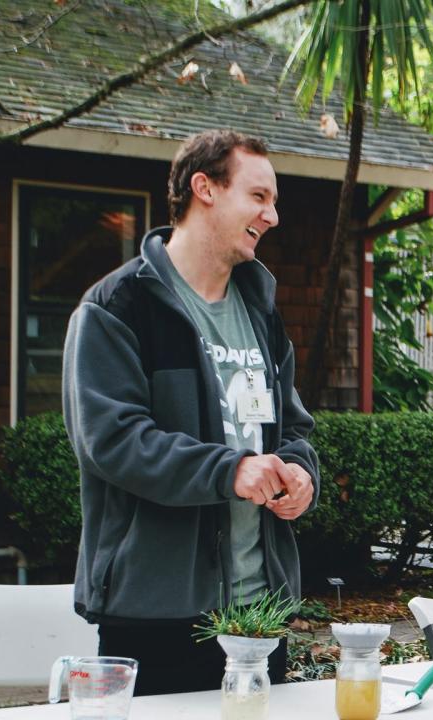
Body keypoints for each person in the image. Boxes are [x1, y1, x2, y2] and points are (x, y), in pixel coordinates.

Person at [62, 130, 319, 696]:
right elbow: (114, 441)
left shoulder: (259, 311)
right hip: (156, 616)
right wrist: (228, 470)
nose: (272, 216)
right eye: (258, 197)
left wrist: (301, 473)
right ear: (204, 188)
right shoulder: (117, 308)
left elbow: (294, 428)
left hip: (257, 616)